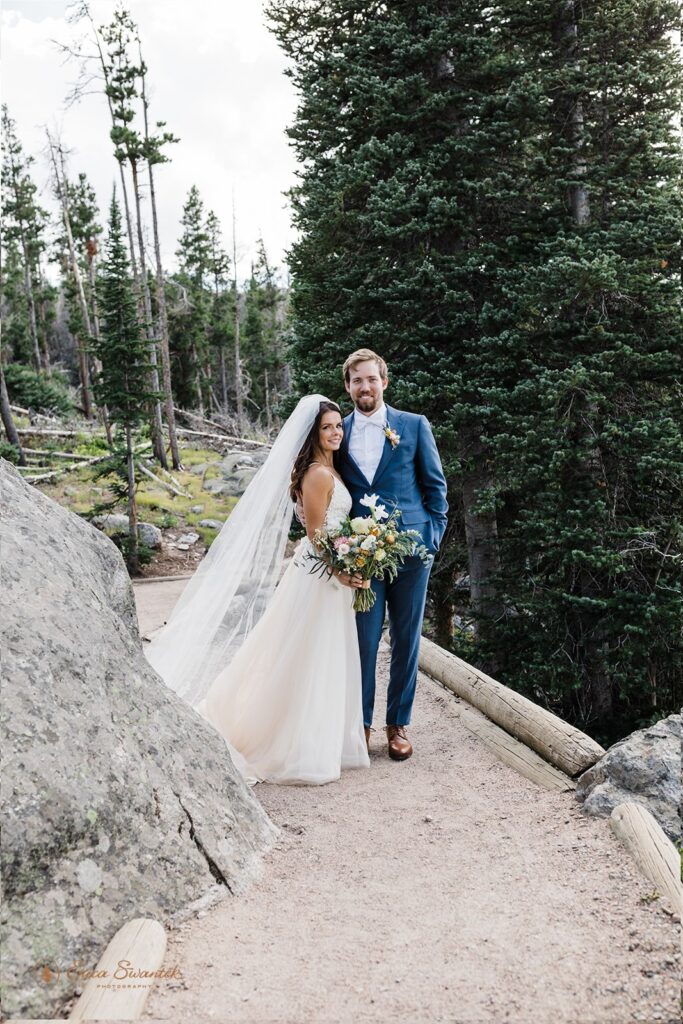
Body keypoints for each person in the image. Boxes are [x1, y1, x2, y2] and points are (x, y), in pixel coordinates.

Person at [145, 396, 370, 786]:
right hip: (320, 576)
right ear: (313, 434)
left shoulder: (327, 469)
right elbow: (317, 535)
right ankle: (296, 747)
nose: (336, 432)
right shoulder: (317, 474)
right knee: (308, 655)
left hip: (328, 575)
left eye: (338, 425)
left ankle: (318, 738)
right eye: (327, 427)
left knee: (312, 654)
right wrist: (343, 572)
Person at [338, 349, 448, 761]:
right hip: (362, 555)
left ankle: (397, 724)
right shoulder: (338, 432)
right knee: (364, 640)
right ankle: (361, 725)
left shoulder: (414, 426)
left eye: (371, 379)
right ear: (348, 387)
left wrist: (432, 537)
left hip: (412, 550)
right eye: (356, 381)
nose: (364, 387)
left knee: (406, 637)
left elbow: (436, 488)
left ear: (384, 381)